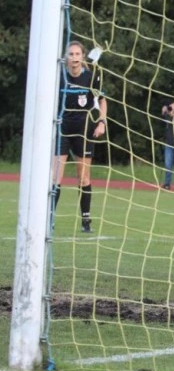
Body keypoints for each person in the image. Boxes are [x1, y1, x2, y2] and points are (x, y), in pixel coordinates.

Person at [51, 40, 107, 233]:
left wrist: (102, 122)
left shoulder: (91, 78)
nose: (74, 58)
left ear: (83, 57)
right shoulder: (59, 77)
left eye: (77, 54)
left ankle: (85, 221)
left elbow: (101, 100)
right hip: (63, 129)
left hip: (84, 130)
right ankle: (49, 219)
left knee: (83, 177)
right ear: (66, 56)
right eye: (71, 54)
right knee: (56, 176)